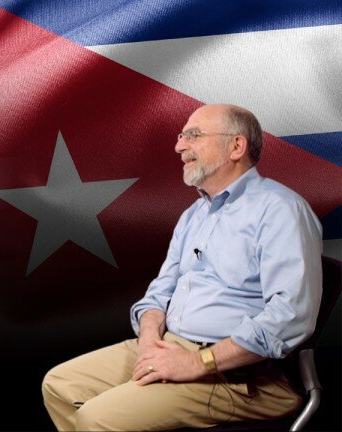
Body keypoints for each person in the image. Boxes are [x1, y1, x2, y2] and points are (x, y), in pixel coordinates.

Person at [41, 104, 322, 431]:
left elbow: (290, 318)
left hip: (238, 375)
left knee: (95, 418)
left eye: (194, 135)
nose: (179, 146)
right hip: (170, 346)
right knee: (59, 384)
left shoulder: (281, 211)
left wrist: (197, 362)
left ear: (236, 146)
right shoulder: (194, 215)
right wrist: (148, 338)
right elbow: (160, 292)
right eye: (181, 136)